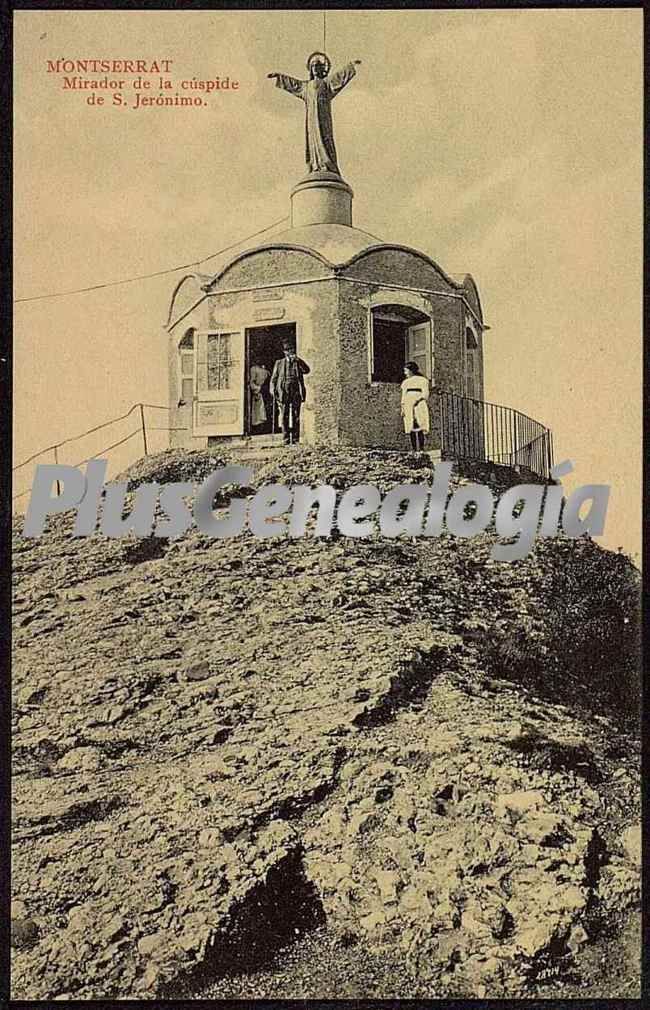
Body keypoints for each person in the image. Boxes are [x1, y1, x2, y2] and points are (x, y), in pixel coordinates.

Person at [268, 53, 362, 175]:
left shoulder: (327, 83)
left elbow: (340, 77)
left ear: (323, 69)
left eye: (318, 67)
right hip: (312, 122)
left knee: (325, 138)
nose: (316, 69)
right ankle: (315, 165)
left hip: (323, 119)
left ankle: (328, 164)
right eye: (313, 67)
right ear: (311, 70)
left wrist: (351, 66)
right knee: (312, 143)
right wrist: (279, 77)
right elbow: (293, 84)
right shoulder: (306, 87)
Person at [270, 340, 311, 445]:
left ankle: (296, 438)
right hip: (284, 391)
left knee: (296, 414)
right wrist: (273, 389)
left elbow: (307, 370)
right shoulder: (279, 363)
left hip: (295, 390)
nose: (290, 352)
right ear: (285, 352)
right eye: (288, 350)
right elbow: (274, 378)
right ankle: (286, 438)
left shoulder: (298, 362)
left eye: (292, 350)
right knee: (284, 414)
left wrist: (299, 361)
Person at [401, 361, 430, 451]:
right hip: (408, 403)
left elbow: (425, 393)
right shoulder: (405, 382)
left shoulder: (423, 380)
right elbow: (403, 396)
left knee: (420, 424)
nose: (405, 373)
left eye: (406, 371)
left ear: (411, 370)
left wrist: (418, 400)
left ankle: (421, 448)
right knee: (411, 425)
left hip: (419, 403)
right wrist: (403, 408)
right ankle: (414, 449)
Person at [249, 360, 270, 430]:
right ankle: (259, 428)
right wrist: (257, 389)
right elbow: (251, 382)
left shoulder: (266, 370)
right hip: (259, 392)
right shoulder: (254, 369)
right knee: (259, 412)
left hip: (267, 391)